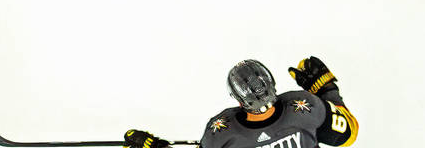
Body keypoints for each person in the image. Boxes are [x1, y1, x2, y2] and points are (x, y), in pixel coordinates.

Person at [124, 58, 357, 148]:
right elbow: (349, 135)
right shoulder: (305, 105)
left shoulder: (221, 132)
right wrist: (327, 91)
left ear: (237, 98)